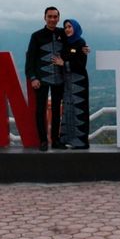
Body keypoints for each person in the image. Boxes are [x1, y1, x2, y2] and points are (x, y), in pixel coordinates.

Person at [25, 6, 67, 151]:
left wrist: (83, 49)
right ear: (45, 18)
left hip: (59, 79)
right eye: (50, 16)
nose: (52, 19)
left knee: (57, 110)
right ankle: (43, 141)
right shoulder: (36, 36)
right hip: (41, 79)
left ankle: (55, 140)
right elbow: (30, 59)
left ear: (58, 18)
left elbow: (74, 43)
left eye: (55, 17)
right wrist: (33, 78)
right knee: (40, 110)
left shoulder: (63, 33)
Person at [53, 19, 90, 149]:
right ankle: (67, 139)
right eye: (65, 27)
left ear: (76, 28)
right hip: (67, 83)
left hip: (79, 82)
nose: (67, 29)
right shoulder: (66, 43)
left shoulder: (81, 43)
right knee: (68, 109)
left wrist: (64, 64)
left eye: (70, 26)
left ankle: (81, 142)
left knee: (79, 111)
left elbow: (81, 65)